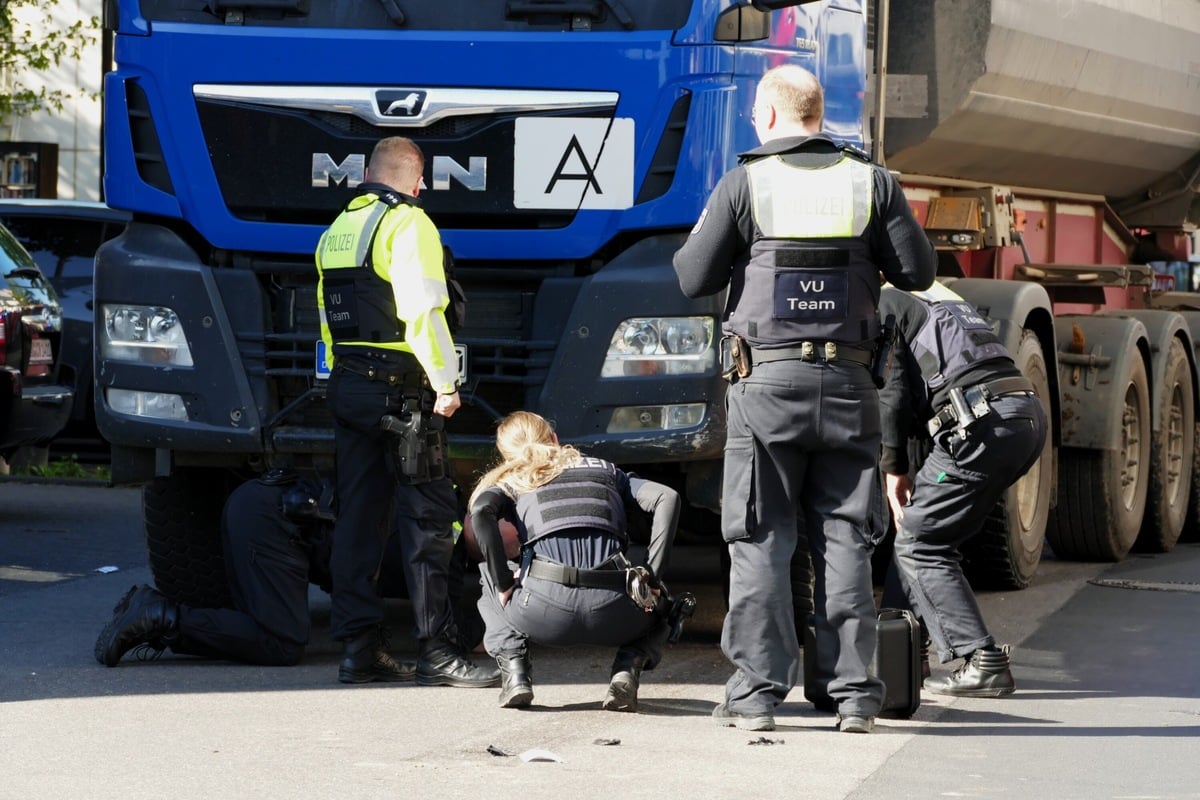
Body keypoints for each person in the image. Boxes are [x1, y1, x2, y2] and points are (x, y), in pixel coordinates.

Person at [672, 64, 935, 733]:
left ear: (764, 116)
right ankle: (853, 698)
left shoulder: (745, 182)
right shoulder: (871, 181)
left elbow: (691, 275)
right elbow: (918, 272)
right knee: (846, 539)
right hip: (849, 387)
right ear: (820, 114)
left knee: (761, 537)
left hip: (767, 389)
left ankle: (757, 697)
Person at [315, 136, 496, 687]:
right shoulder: (408, 222)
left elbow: (330, 318)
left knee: (358, 520)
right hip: (403, 392)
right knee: (429, 522)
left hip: (347, 384)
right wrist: (445, 382)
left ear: (366, 174)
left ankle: (358, 651)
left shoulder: (337, 230)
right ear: (416, 180)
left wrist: (340, 376)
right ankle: (436, 651)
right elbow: (422, 311)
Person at [94, 472, 487, 667]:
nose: (513, 544)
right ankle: (158, 615)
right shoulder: (439, 536)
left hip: (273, 515)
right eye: (511, 530)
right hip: (270, 520)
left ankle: (162, 617)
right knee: (280, 642)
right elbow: (457, 638)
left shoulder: (438, 522)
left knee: (271, 629)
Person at [878, 281, 1047, 696]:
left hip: (980, 423)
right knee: (924, 530)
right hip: (1022, 414)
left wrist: (893, 467)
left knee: (919, 544)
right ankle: (903, 657)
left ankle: (982, 660)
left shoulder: (884, 301)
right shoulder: (938, 296)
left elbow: (894, 390)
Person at [467, 411, 682, 712]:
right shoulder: (607, 470)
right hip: (617, 614)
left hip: (542, 615)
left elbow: (480, 513)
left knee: (488, 574)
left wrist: (503, 581)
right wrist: (653, 576)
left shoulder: (513, 481)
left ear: (506, 455)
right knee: (666, 603)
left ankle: (515, 674)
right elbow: (667, 498)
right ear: (554, 439)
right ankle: (626, 668)